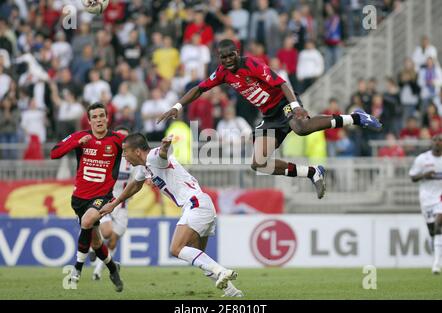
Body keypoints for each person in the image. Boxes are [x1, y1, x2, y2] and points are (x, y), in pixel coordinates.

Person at [158, 39, 382, 199]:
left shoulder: (252, 64)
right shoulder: (222, 73)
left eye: (230, 56)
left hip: (284, 104)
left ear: (237, 53)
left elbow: (281, 83)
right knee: (258, 163)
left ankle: (355, 117)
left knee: (301, 127)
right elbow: (199, 89)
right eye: (223, 57)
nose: (227, 60)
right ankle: (313, 172)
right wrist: (177, 106)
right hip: (269, 116)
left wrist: (295, 106)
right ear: (219, 57)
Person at [99, 133, 243, 297]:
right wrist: (114, 204)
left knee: (176, 249)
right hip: (202, 204)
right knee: (200, 257)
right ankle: (232, 291)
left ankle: (221, 271)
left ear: (137, 151)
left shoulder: (153, 157)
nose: (124, 155)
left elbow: (162, 155)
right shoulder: (144, 167)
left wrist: (165, 146)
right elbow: (134, 185)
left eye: (125, 151)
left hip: (194, 204)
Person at [50, 102, 124, 292]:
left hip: (102, 196)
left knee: (87, 220)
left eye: (102, 116)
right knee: (96, 242)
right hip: (79, 198)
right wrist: (76, 143)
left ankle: (77, 269)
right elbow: (54, 153)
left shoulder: (117, 140)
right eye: (95, 117)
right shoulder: (80, 137)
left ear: (107, 118)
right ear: (89, 120)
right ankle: (113, 269)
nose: (99, 120)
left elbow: (138, 153)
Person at [90, 126, 131, 281]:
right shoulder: (106, 155)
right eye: (120, 136)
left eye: (126, 138)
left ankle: (98, 271)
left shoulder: (132, 160)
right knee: (106, 233)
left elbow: (140, 175)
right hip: (104, 201)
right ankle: (91, 244)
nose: (123, 141)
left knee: (113, 239)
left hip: (122, 206)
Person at [409, 134, 442, 274]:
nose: (438, 142)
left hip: (440, 197)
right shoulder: (422, 159)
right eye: (435, 140)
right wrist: (424, 175)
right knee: (433, 231)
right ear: (431, 142)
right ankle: (436, 250)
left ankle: (436, 264)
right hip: (427, 198)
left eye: (440, 140)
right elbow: (412, 176)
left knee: (439, 224)